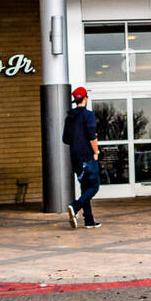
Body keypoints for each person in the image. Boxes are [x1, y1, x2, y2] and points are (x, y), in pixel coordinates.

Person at [65, 86, 101, 229]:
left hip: (75, 159)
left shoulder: (69, 118)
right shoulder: (88, 115)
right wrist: (96, 151)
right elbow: (92, 136)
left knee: (85, 188)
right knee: (94, 186)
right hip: (87, 157)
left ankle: (89, 220)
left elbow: (65, 139)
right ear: (85, 98)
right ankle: (75, 206)